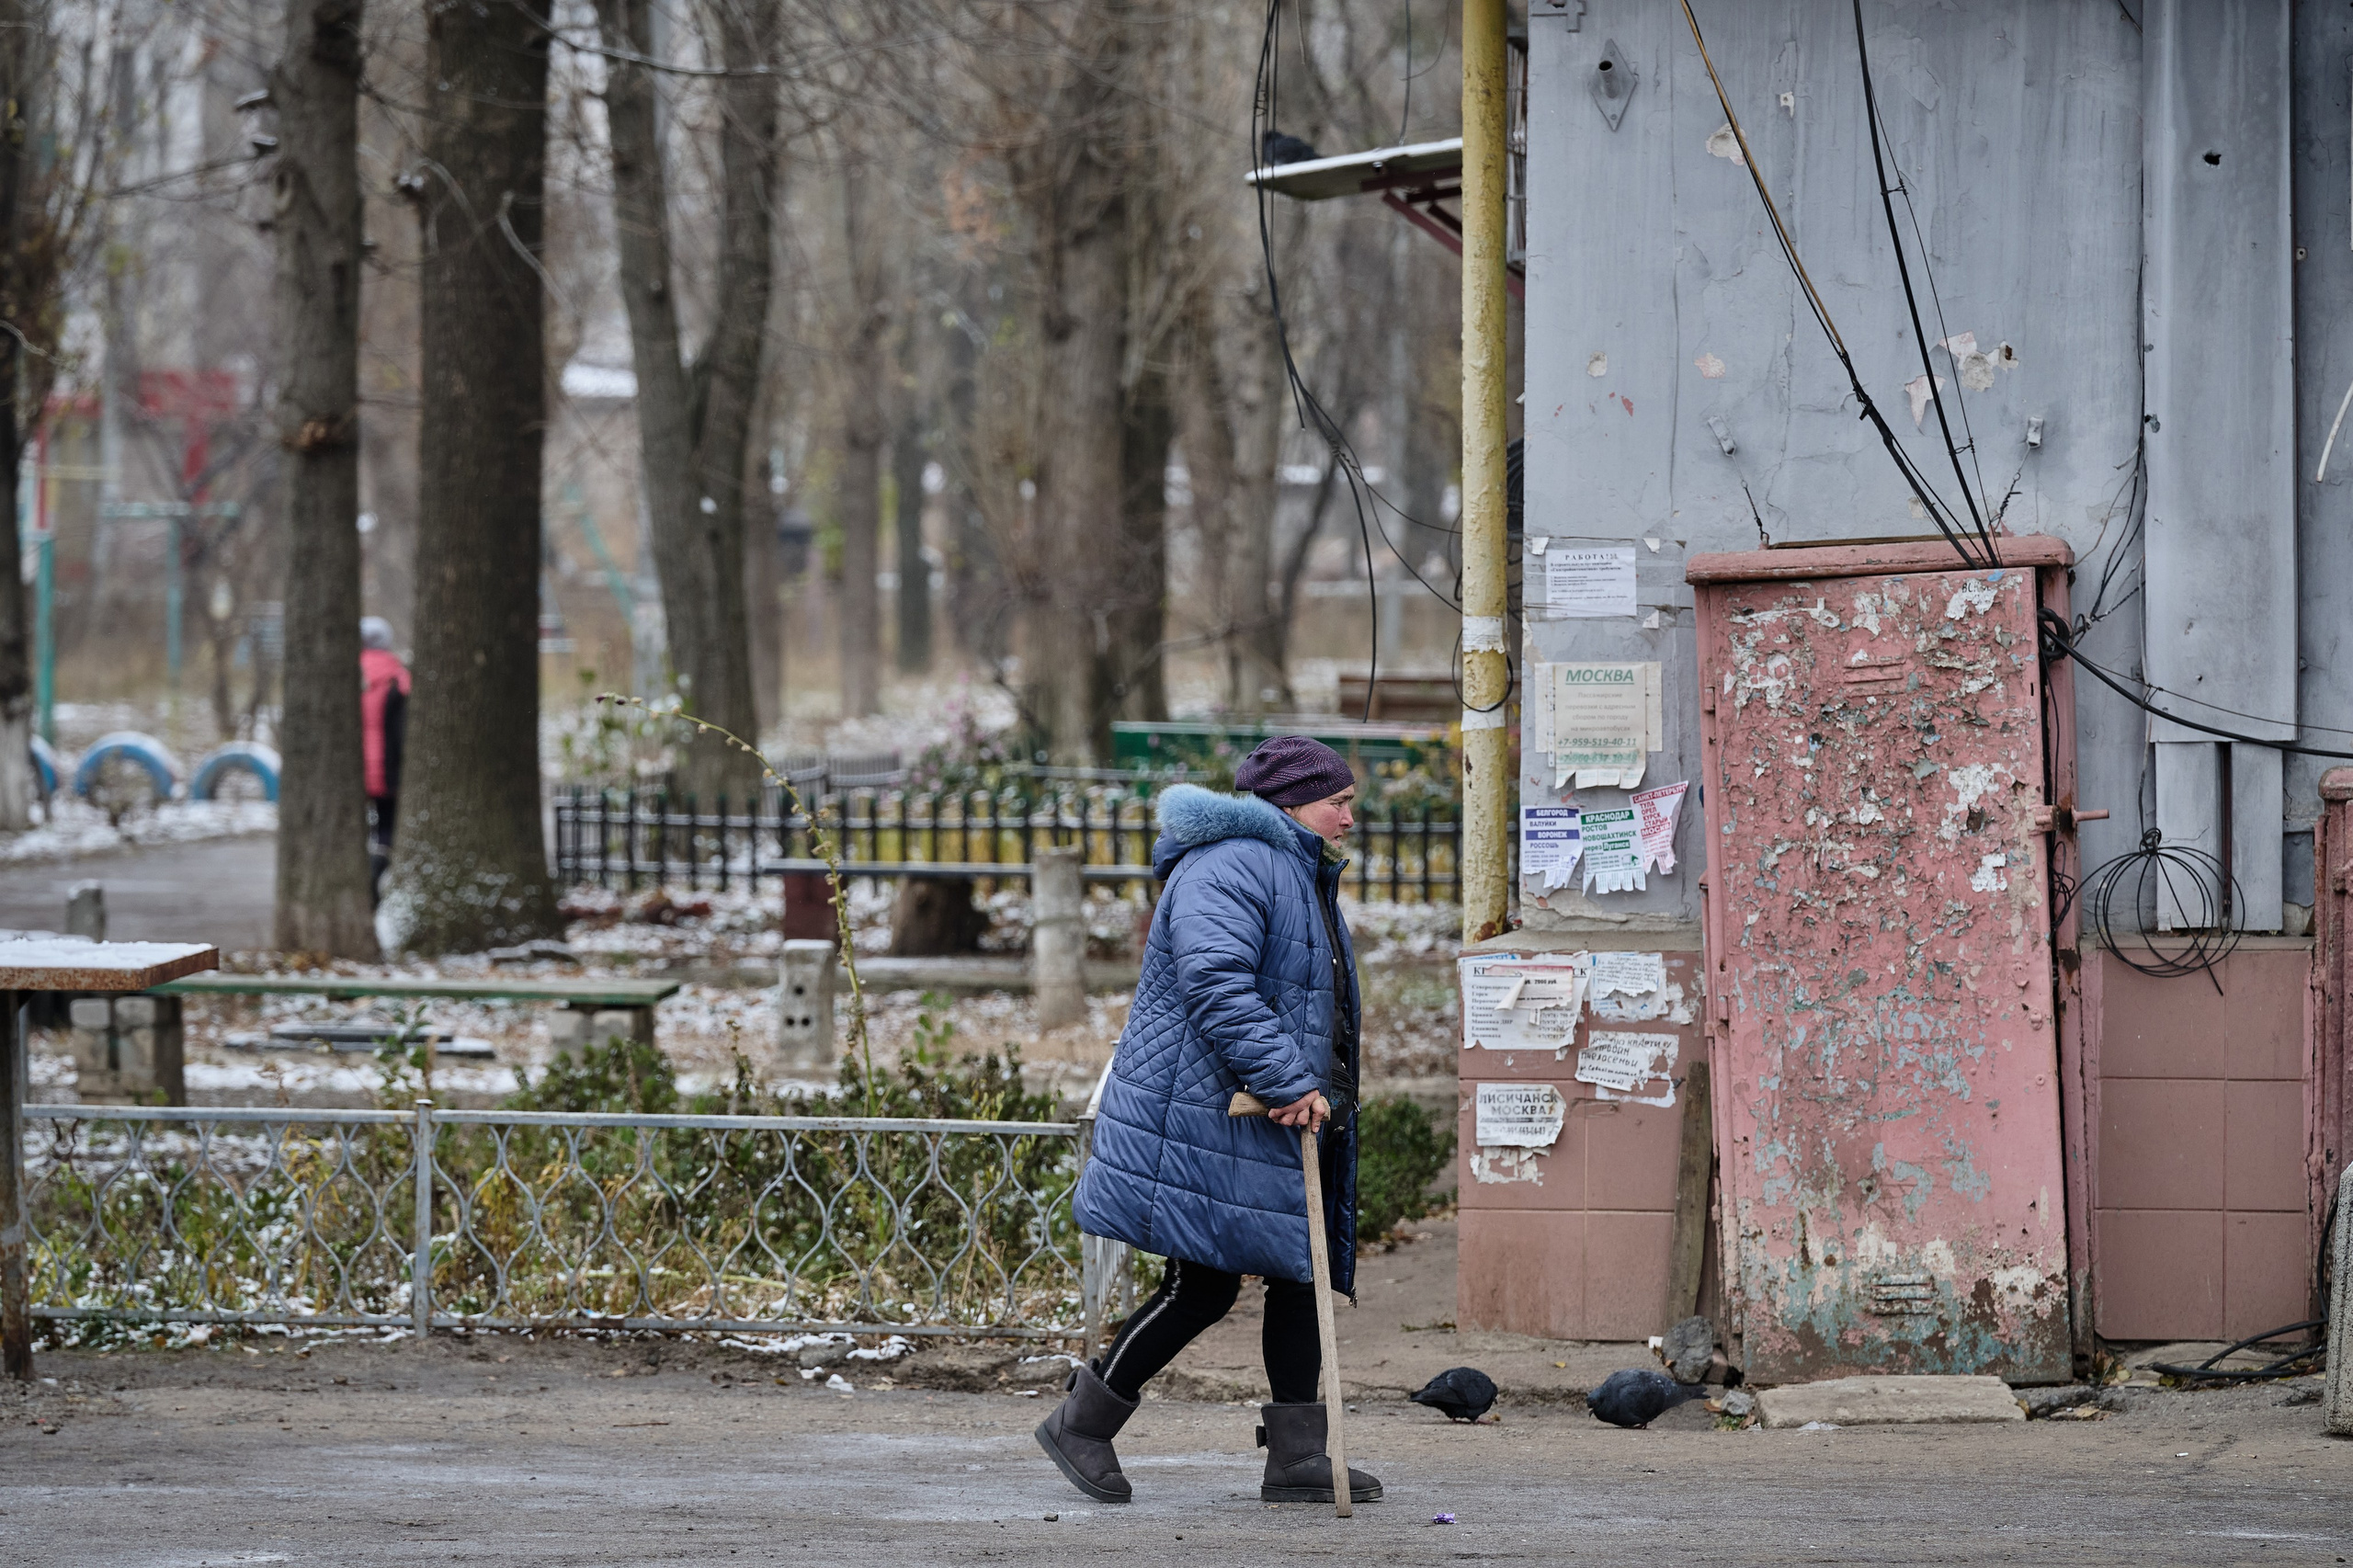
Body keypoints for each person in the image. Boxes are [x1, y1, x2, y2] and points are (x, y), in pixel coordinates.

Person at [1044, 735, 1381, 1506]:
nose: (1350, 818)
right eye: (1340, 802)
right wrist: (1289, 1078)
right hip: (1208, 1111)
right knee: (1204, 1286)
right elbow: (1215, 981)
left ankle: (1297, 1457)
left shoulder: (1293, 867)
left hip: (1270, 1110)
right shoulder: (1233, 863)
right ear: (1291, 804)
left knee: (1301, 1273)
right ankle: (1080, 1423)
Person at [359, 618, 409, 893]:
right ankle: (374, 882)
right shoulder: (397, 676)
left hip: (356, 771)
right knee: (387, 828)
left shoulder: (347, 674)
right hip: (389, 770)